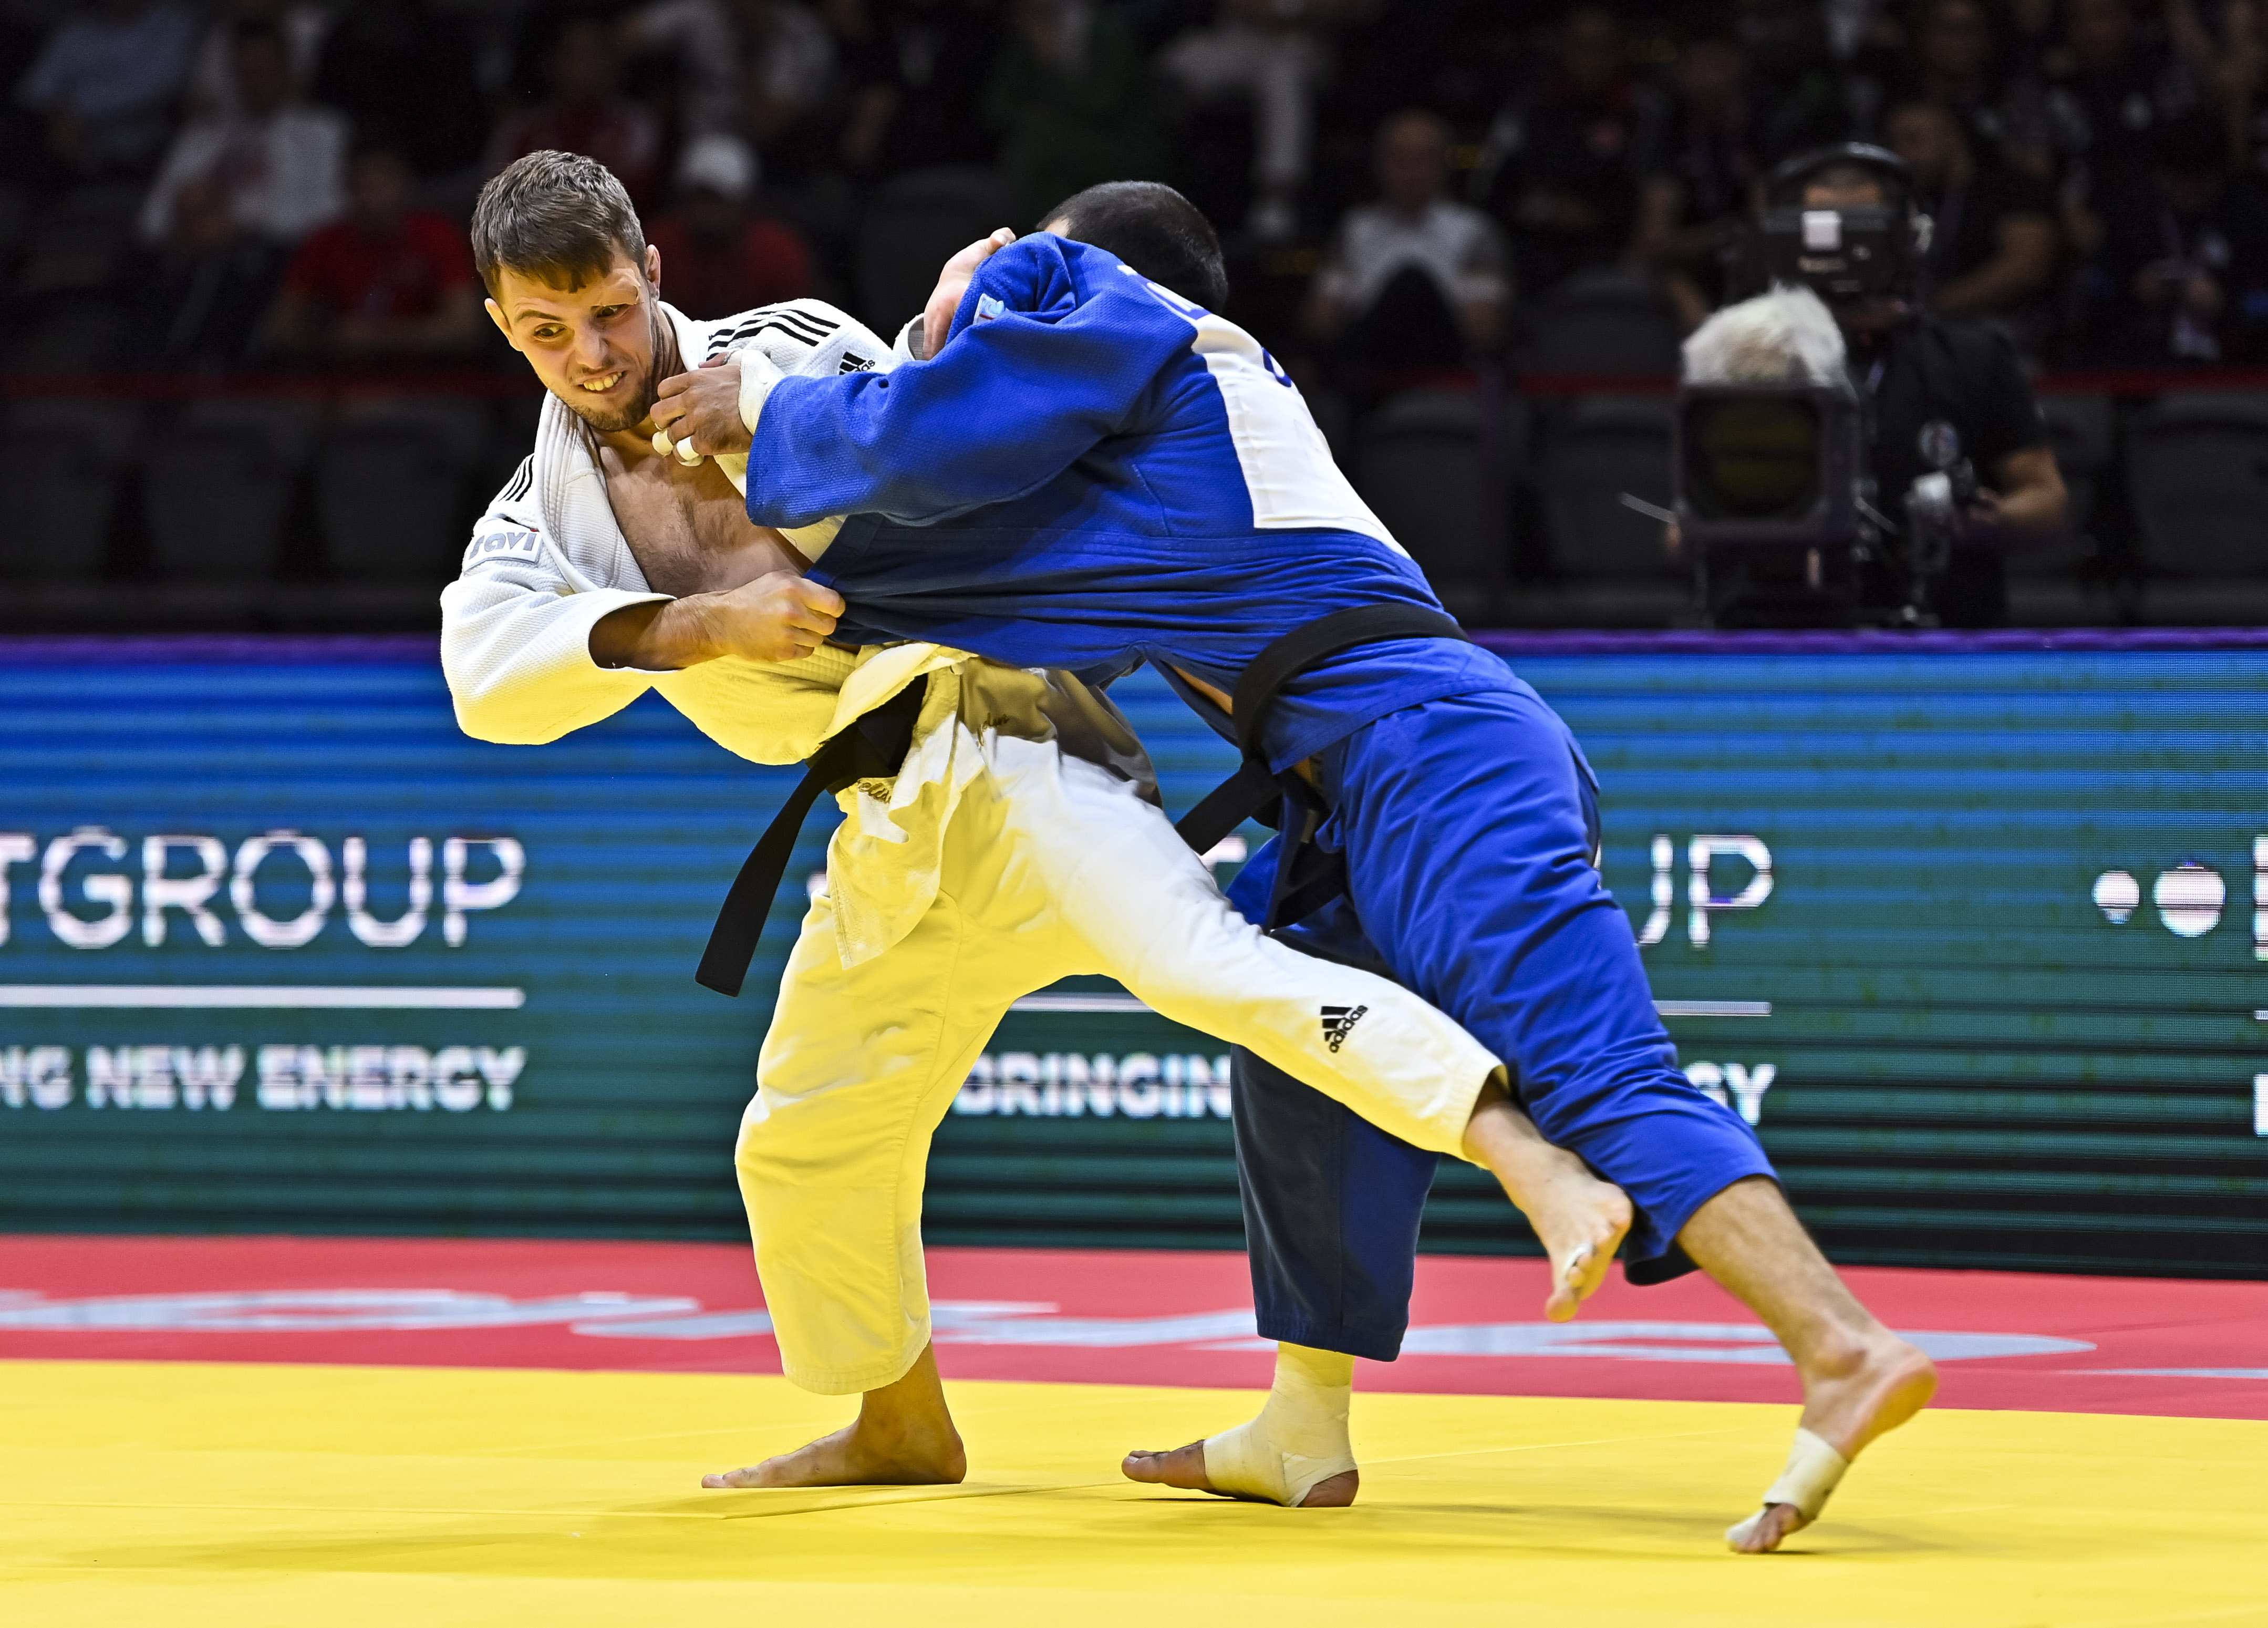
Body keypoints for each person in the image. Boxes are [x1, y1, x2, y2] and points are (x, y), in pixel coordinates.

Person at [655, 180, 1941, 1552]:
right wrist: (695, 584)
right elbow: (970, 579)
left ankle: (1840, 1345)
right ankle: (1300, 1426)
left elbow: (953, 437)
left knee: (1597, 1074)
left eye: (1021, 260)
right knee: (1299, 1034)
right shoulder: (1170, 437)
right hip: (1361, 787)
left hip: (1432, 756)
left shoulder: (1084, 289)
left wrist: (774, 416)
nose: (989, 273)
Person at [444, 150, 1635, 1503]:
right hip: (884, 816)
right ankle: (900, 1420)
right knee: (803, 1131)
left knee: (1212, 969)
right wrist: (699, 624)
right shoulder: (536, 515)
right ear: (498, 321)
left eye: (606, 309)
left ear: (651, 268)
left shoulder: (779, 350)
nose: (589, 354)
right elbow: (485, 680)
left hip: (1002, 735)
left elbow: (934, 446)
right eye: (546, 332)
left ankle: (1530, 1161)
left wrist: (934, 327)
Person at [1782, 147, 2068, 625]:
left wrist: (1991, 523)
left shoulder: (1974, 358)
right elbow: (1680, 538)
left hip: (1949, 640)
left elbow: (2047, 502)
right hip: (1798, 649)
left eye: (1862, 228)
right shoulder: (1753, 362)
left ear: (1907, 238)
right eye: (1823, 230)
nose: (1841, 248)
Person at [1306, 108, 1508, 379]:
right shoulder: (1355, 228)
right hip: (1367, 360)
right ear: (1379, 163)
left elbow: (1485, 330)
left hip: (1444, 358)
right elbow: (1319, 322)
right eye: (1400, 159)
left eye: (1423, 159)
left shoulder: (1473, 231)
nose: (1412, 172)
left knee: (1412, 285)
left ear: (1444, 164)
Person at [265, 140, 481, 362]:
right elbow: (282, 328)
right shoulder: (322, 242)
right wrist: (329, 336)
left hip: (423, 375)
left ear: (404, 183)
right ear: (346, 187)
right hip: (337, 372)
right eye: (363, 184)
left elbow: (465, 326)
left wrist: (379, 336)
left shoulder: (438, 236)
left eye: (383, 183)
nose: (373, 197)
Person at [138, 20, 347, 249]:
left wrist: (238, 223)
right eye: (244, 71)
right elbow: (151, 222)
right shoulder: (200, 134)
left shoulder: (323, 131)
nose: (253, 82)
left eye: (261, 71)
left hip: (279, 258)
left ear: (286, 71)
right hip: (195, 257)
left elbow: (329, 217)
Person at [1884, 98, 2057, 351]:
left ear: (1952, 136)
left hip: (2013, 345)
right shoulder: (1912, 201)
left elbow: (2027, 268)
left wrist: (1930, 307)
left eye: (1914, 140)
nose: (1903, 155)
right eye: (1895, 144)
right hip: (1932, 344)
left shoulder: (2010, 187)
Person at [15, 0, 199, 182]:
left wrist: (76, 110)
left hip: (132, 155)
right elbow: (37, 90)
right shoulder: (77, 28)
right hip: (60, 141)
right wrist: (57, 116)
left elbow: (158, 84)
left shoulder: (173, 22)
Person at [642, 133, 815, 319]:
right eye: (700, 198)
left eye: (719, 200)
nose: (708, 211)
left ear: (744, 200)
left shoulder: (778, 252)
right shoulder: (660, 245)